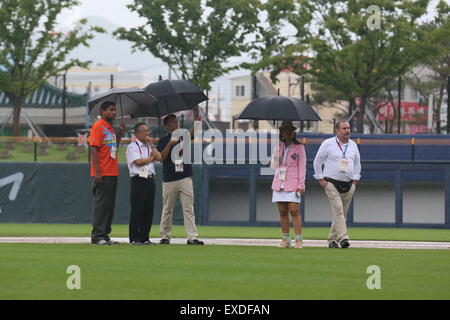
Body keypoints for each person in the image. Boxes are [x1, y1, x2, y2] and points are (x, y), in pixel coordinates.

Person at [156, 114, 204, 245]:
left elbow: (193, 131)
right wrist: (170, 144)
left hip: (185, 177)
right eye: (172, 121)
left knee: (188, 208)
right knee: (167, 209)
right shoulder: (162, 141)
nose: (176, 123)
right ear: (166, 126)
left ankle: (192, 237)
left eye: (176, 121)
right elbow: (161, 158)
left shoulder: (183, 137)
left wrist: (197, 123)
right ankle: (165, 236)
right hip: (170, 179)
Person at [313, 120, 361, 249]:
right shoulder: (327, 144)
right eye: (344, 128)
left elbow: (357, 163)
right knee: (339, 211)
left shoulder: (353, 145)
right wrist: (320, 179)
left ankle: (331, 240)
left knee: (340, 213)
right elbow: (318, 161)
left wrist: (355, 180)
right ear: (337, 131)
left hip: (349, 184)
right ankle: (343, 238)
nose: (347, 131)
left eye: (348, 128)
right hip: (331, 183)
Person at [89, 101, 125, 245]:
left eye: (115, 110)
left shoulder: (110, 128)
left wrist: (120, 134)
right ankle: (97, 236)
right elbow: (93, 148)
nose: (114, 112)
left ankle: (105, 235)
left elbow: (113, 146)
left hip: (112, 171)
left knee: (109, 206)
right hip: (102, 172)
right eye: (111, 110)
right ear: (103, 111)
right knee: (101, 205)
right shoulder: (98, 126)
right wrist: (97, 171)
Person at [271, 120, 307, 249]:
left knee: (294, 210)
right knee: (282, 212)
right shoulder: (278, 147)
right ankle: (285, 238)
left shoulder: (299, 147)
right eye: (285, 130)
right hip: (279, 182)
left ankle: (298, 239)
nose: (288, 133)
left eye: (290, 130)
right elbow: (274, 166)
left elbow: (302, 167)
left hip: (293, 182)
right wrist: (276, 155)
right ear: (281, 132)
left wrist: (301, 185)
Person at [126, 122, 162, 245]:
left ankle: (144, 237)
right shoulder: (132, 146)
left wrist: (152, 145)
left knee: (148, 209)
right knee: (137, 209)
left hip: (150, 179)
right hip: (138, 180)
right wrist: (151, 158)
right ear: (136, 133)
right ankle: (134, 238)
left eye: (148, 131)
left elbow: (159, 157)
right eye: (144, 131)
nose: (147, 133)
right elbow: (138, 162)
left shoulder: (149, 146)